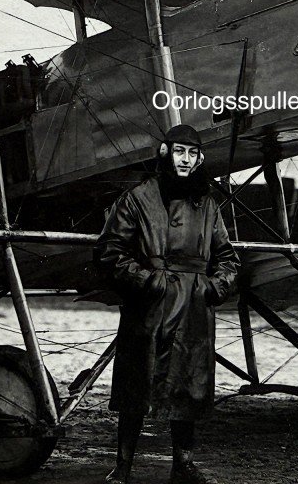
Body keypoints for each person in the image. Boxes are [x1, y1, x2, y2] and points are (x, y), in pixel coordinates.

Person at [96, 124, 240, 484]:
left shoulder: (207, 204)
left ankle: (183, 464)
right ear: (165, 153)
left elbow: (227, 257)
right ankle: (123, 467)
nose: (185, 160)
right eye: (179, 152)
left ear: (200, 159)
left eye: (192, 154)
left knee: (188, 385)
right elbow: (110, 252)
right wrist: (149, 282)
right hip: (150, 306)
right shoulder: (138, 198)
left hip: (193, 305)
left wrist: (212, 288)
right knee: (137, 385)